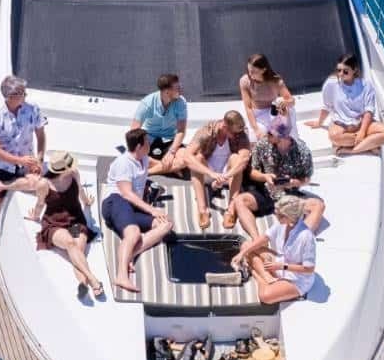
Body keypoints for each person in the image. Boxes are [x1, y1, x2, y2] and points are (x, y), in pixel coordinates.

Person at [100, 128, 173, 293]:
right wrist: (152, 210)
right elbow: (126, 194)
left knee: (166, 224)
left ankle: (130, 254)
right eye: (147, 142)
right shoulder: (123, 163)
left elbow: (162, 165)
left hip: (131, 207)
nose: (150, 144)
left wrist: (179, 161)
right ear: (140, 146)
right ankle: (121, 275)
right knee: (133, 233)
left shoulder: (144, 158)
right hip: (116, 202)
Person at [227, 117, 324, 237]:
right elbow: (252, 171)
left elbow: (306, 178)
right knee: (240, 201)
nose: (267, 134)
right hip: (265, 192)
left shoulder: (302, 151)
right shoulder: (263, 144)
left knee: (318, 206)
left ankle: (298, 238)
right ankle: (256, 238)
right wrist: (264, 176)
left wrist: (294, 183)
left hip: (288, 195)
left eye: (270, 133)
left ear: (282, 137)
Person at [0, 75, 46, 255]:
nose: (25, 96)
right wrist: (19, 161)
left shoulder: (33, 109)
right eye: (22, 93)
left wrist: (39, 160)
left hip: (27, 165)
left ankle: (1, 186)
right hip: (4, 167)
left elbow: (41, 136)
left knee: (41, 184)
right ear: (10, 96)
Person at [30, 151, 105, 302]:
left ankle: (83, 283)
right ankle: (94, 280)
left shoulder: (74, 173)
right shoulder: (44, 184)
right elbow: (40, 204)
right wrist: (35, 216)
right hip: (54, 223)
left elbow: (80, 191)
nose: (72, 167)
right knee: (71, 244)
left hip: (74, 220)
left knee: (78, 250)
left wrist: (86, 202)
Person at [161, 111, 251, 230]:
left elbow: (244, 159)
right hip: (208, 172)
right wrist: (211, 174)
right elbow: (187, 156)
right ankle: (202, 210)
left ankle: (231, 209)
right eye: (233, 132)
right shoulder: (207, 131)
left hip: (229, 173)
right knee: (197, 159)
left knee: (236, 159)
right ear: (224, 126)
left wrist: (225, 176)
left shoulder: (240, 134)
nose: (236, 135)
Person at [232, 194, 316, 305]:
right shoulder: (282, 223)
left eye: (280, 215)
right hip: (280, 262)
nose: (276, 216)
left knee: (265, 297)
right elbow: (264, 238)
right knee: (246, 245)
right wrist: (242, 253)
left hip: (296, 278)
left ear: (290, 216)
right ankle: (267, 277)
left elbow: (309, 269)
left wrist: (281, 266)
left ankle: (256, 274)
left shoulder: (306, 236)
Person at [307, 52, 384, 156]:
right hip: (340, 125)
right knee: (333, 137)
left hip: (361, 124)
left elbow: (369, 111)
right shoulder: (331, 84)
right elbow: (327, 106)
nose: (341, 74)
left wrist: (362, 131)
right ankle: (369, 143)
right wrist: (319, 123)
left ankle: (349, 150)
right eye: (339, 70)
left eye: (345, 71)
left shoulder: (366, 86)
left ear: (354, 70)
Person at [131, 73, 188, 174]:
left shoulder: (181, 102)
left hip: (170, 140)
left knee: (185, 159)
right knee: (135, 155)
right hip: (149, 139)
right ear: (167, 92)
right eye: (177, 88)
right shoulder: (147, 103)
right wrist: (141, 146)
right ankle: (169, 167)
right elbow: (134, 131)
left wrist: (171, 152)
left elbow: (181, 131)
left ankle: (147, 173)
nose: (181, 89)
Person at [238, 53, 294, 140]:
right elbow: (248, 108)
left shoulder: (276, 80)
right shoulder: (245, 81)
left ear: (263, 70)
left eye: (253, 72)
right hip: (257, 114)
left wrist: (285, 102)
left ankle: (293, 140)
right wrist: (256, 129)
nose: (250, 74)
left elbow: (291, 100)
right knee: (254, 137)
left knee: (290, 110)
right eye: (249, 70)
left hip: (273, 111)